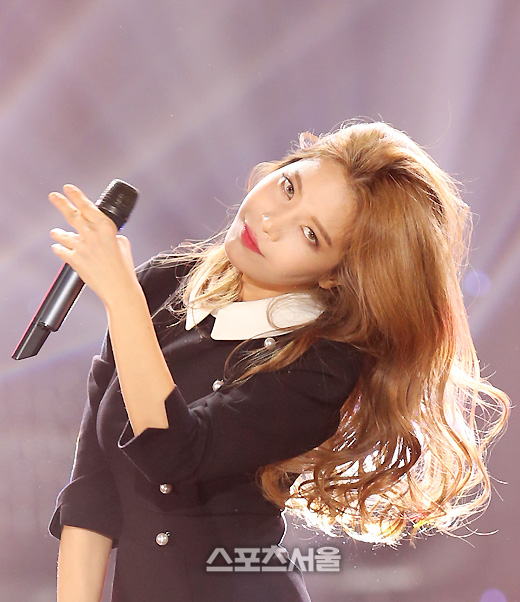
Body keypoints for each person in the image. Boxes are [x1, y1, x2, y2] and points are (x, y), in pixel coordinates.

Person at [48, 121, 510, 602]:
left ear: (335, 275)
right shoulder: (162, 286)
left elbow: (174, 453)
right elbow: (91, 491)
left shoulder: (321, 367)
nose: (271, 221)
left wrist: (122, 300)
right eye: (288, 188)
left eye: (309, 234)